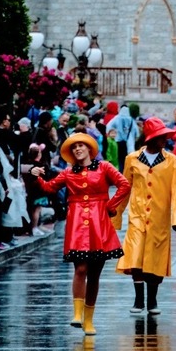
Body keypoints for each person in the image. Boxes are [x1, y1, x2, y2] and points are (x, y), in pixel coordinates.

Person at [31, 133, 130, 335]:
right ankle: (77, 314)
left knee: (94, 274)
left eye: (81, 145)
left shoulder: (104, 167)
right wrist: (36, 176)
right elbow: (50, 188)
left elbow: (124, 184)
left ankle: (89, 320)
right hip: (77, 225)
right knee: (81, 269)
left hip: (99, 224)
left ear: (89, 149)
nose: (78, 149)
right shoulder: (68, 173)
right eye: (74, 146)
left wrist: (110, 206)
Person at [114, 118, 176, 316]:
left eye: (165, 136)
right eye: (161, 136)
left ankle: (152, 299)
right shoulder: (132, 159)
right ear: (151, 138)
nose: (165, 139)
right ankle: (138, 299)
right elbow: (124, 188)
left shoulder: (172, 161)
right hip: (137, 214)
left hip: (159, 217)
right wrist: (115, 214)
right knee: (135, 254)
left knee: (156, 257)